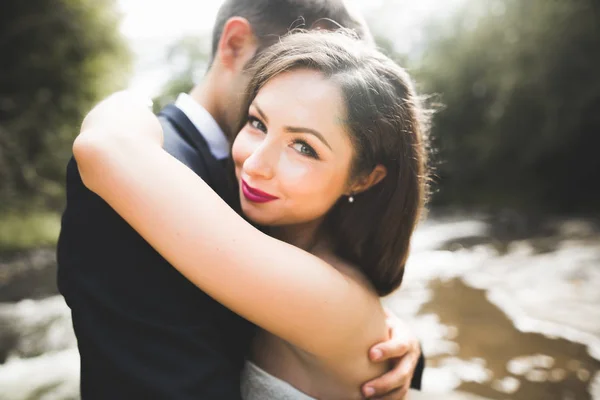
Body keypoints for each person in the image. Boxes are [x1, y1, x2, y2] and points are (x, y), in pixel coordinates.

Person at [56, 1, 423, 399]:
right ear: (234, 44)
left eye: (303, 146)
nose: (255, 164)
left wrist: (374, 336)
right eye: (257, 122)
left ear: (363, 178)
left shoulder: (324, 274)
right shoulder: (142, 177)